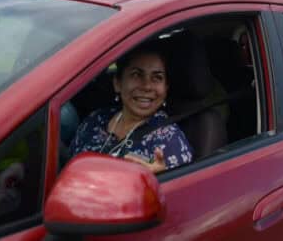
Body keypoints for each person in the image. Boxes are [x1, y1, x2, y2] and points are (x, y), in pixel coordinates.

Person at [70, 42, 193, 173]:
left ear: (166, 88)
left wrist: (162, 177)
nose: (147, 86)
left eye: (157, 77)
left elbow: (177, 189)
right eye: (136, 74)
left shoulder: (170, 143)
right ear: (117, 83)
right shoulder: (96, 119)